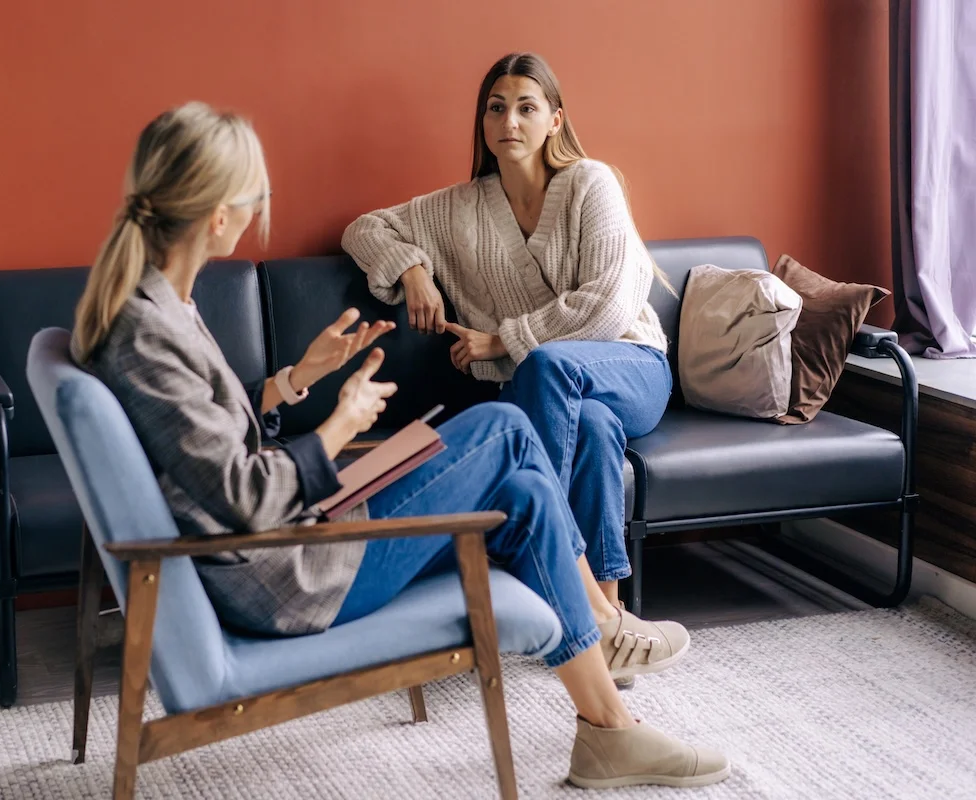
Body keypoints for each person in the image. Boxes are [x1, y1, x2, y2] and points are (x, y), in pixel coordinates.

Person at [71, 101, 729, 788]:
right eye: (255, 197)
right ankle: (602, 617)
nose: (258, 208)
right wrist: (339, 426)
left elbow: (203, 438)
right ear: (217, 216)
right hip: (285, 574)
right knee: (503, 430)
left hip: (296, 537)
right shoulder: (144, 330)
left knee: (526, 487)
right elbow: (240, 497)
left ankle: (607, 729)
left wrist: (298, 378)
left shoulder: (159, 306)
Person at [342, 53, 680, 684]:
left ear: (554, 119)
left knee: (553, 370)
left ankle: (542, 573)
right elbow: (365, 229)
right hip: (559, 388)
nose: (510, 120)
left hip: (631, 364)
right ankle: (608, 614)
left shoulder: (591, 183)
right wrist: (414, 269)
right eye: (496, 107)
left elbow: (608, 304)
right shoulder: (460, 208)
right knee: (596, 430)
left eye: (527, 107)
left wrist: (500, 340)